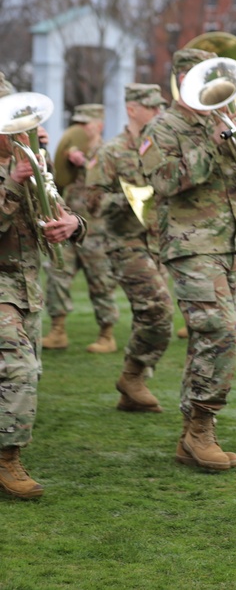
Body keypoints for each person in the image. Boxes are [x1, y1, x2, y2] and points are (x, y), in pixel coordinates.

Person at [139, 48, 236, 471]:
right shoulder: (162, 127)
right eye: (202, 79)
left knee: (211, 339)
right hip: (191, 246)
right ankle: (202, 429)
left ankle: (192, 433)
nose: (213, 88)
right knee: (221, 334)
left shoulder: (229, 121)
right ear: (183, 80)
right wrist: (211, 144)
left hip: (229, 246)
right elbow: (165, 181)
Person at [0, 74, 87, 498]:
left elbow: (60, 208)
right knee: (19, 368)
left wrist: (73, 224)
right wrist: (14, 183)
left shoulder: (30, 159)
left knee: (21, 373)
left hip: (27, 287)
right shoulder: (17, 168)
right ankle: (8, 461)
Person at [85, 84, 173, 414]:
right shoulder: (111, 151)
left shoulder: (162, 147)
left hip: (158, 244)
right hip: (126, 244)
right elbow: (92, 202)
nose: (159, 112)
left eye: (160, 106)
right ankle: (134, 376)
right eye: (152, 107)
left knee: (147, 316)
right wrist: (132, 199)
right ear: (132, 109)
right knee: (159, 310)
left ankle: (130, 389)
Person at [41, 103, 120, 353]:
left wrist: (85, 163)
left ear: (99, 125)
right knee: (57, 274)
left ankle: (107, 335)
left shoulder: (109, 151)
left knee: (100, 282)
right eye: (78, 123)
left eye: (86, 124)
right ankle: (57, 331)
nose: (81, 128)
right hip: (70, 227)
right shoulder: (72, 149)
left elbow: (113, 189)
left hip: (96, 231)